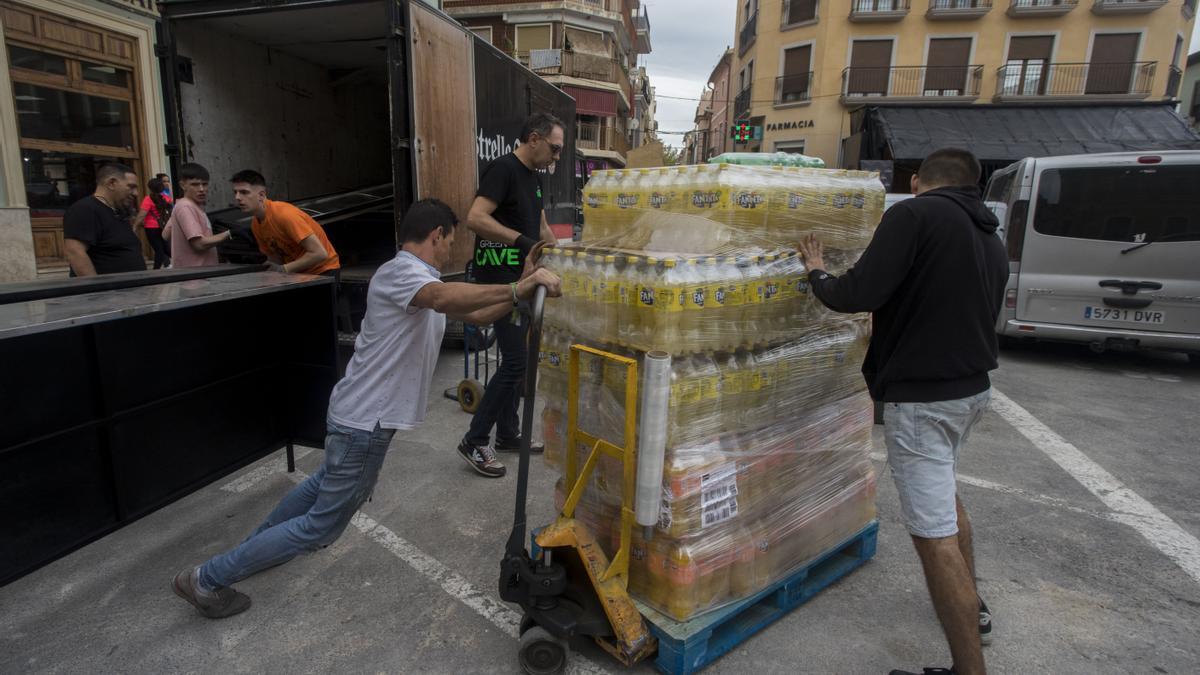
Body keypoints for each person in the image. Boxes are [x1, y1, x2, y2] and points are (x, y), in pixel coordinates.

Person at [171, 198, 562, 619]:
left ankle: (257, 548)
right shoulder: (403, 274)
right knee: (321, 526)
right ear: (437, 235)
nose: (451, 250)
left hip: (356, 417)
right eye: (450, 241)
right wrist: (517, 289)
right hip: (364, 424)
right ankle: (207, 578)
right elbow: (444, 297)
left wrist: (518, 291)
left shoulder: (417, 279)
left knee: (319, 487)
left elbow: (476, 312)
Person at [798, 148, 1007, 675]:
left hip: (925, 398)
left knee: (930, 535)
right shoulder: (988, 235)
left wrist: (819, 273)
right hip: (971, 391)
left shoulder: (912, 215)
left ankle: (969, 670)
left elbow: (858, 293)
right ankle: (973, 607)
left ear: (917, 181)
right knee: (947, 502)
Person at [457, 112, 562, 478]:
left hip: (523, 278)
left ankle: (508, 433)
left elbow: (542, 226)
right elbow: (475, 217)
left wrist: (566, 254)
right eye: (554, 148)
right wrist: (522, 242)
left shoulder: (533, 178)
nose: (556, 157)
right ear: (534, 139)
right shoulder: (502, 169)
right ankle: (475, 440)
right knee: (516, 361)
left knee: (520, 357)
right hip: (499, 278)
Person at [230, 169, 340, 276]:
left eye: (244, 192)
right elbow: (275, 258)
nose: (237, 197)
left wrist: (283, 269)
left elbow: (320, 254)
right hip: (298, 274)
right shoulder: (256, 224)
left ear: (261, 195)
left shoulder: (285, 215)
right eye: (235, 192)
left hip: (323, 271)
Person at [63, 162, 145, 277]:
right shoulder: (85, 209)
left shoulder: (118, 211)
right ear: (111, 183)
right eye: (131, 187)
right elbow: (75, 252)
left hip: (128, 291)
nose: (136, 193)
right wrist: (97, 289)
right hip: (108, 293)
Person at [164, 162, 231, 267]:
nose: (201, 189)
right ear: (182, 185)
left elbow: (165, 234)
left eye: (204, 184)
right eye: (195, 184)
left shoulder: (188, 206)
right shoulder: (185, 207)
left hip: (199, 274)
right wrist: (229, 234)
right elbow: (199, 244)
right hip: (195, 277)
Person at [132, 177, 173, 269]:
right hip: (163, 226)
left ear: (150, 188)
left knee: (159, 250)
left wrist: (135, 227)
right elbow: (171, 201)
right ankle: (176, 262)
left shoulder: (148, 199)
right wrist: (169, 188)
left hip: (151, 228)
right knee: (164, 249)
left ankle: (156, 270)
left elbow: (142, 215)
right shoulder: (165, 198)